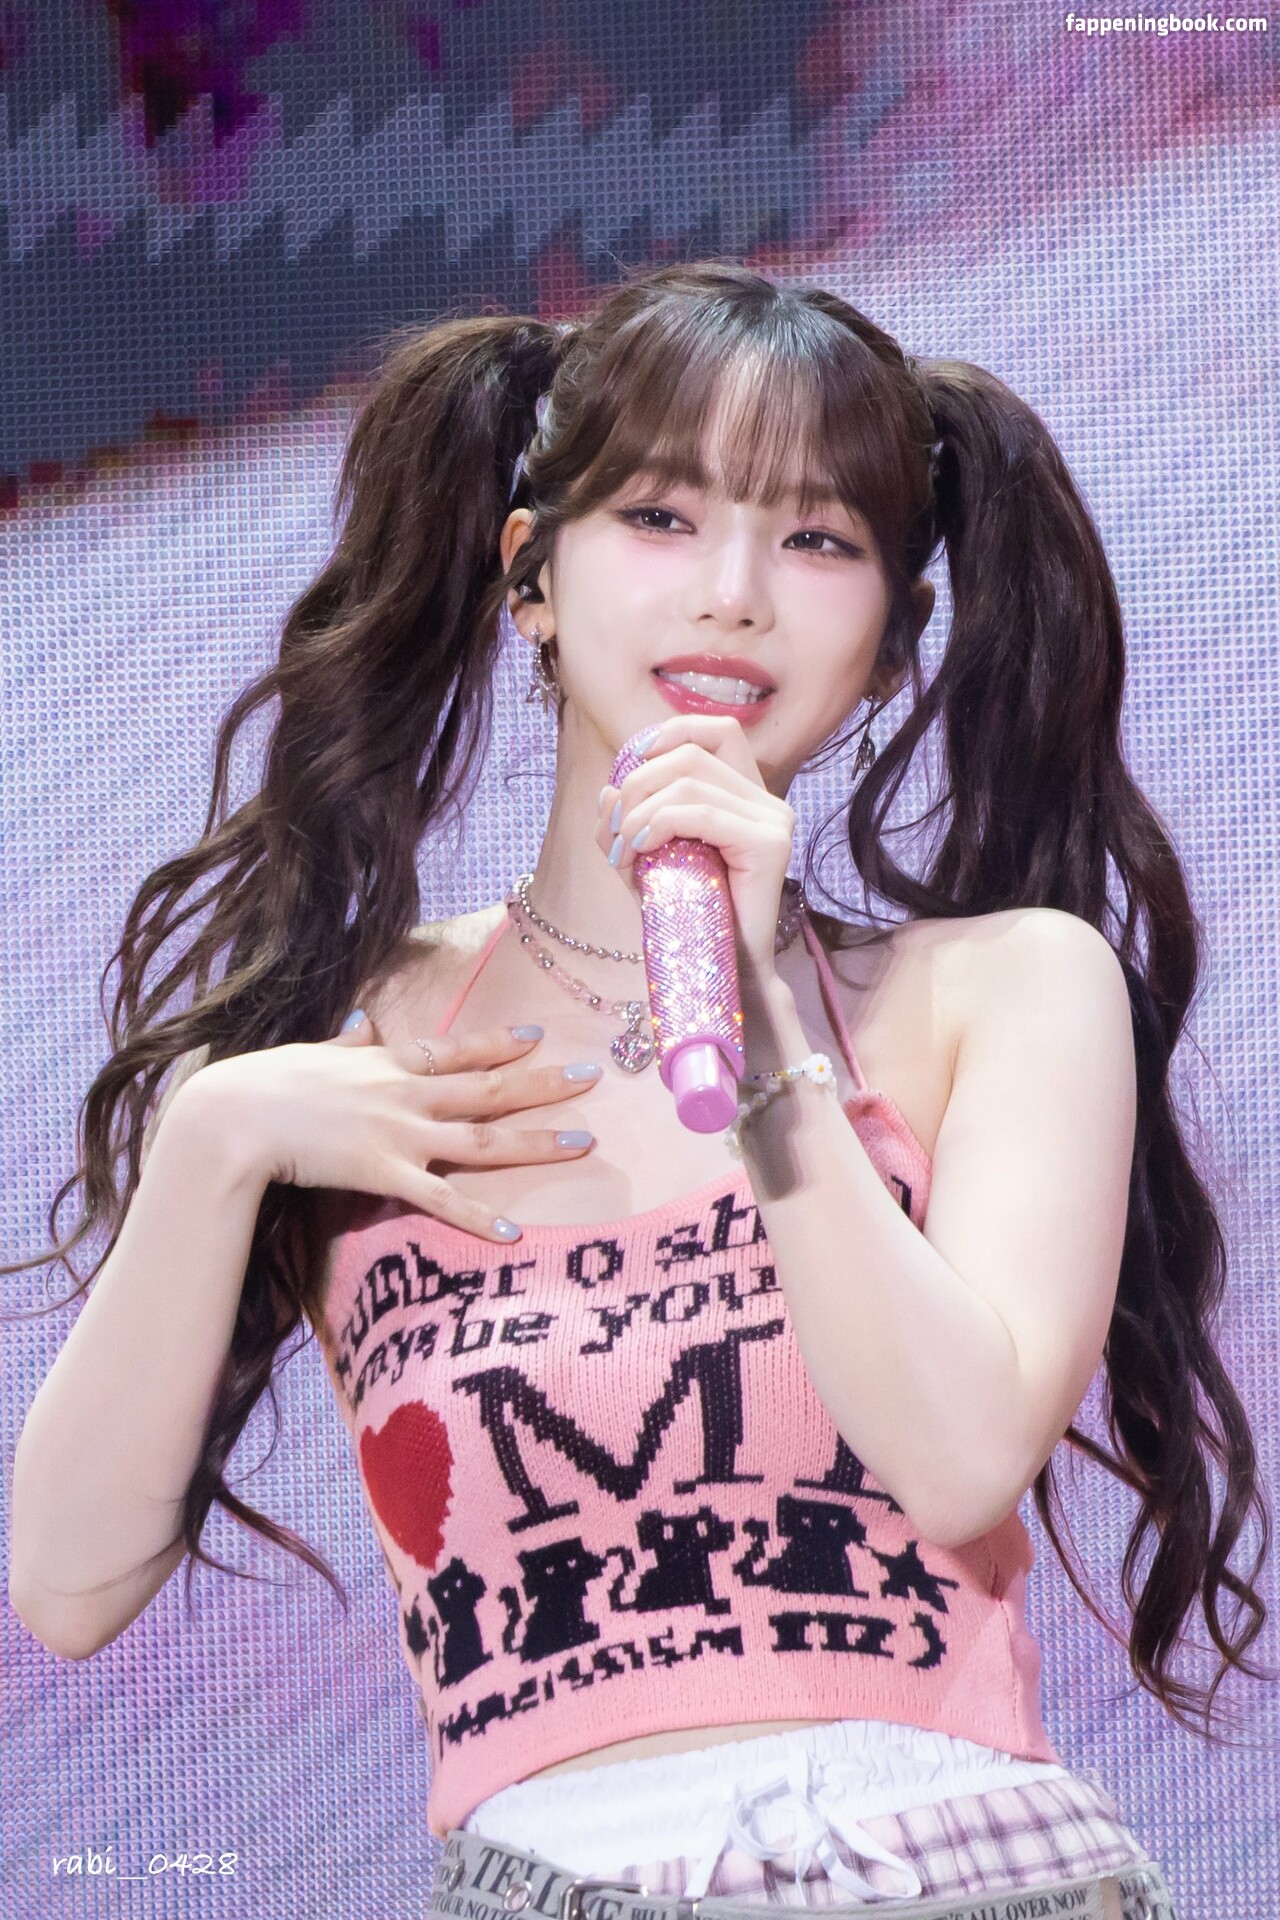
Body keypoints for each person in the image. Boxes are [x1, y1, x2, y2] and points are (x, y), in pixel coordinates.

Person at [8, 263, 1270, 1918]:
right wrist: (213, 1141)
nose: (734, 596)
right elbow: (69, 1586)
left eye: (819, 541)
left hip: (956, 1870)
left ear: (892, 644)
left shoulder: (1004, 988)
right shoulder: (351, 1047)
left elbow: (961, 1459)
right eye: (663, 518)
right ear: (529, 577)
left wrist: (753, 1017)